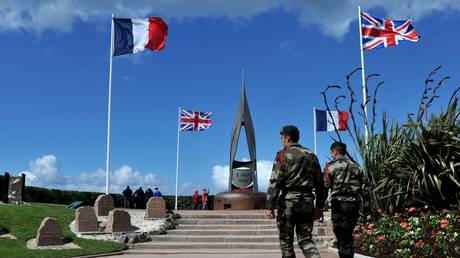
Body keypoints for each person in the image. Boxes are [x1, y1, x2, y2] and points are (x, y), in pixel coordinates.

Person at [266, 125, 326, 258]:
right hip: (307, 201)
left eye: (282, 137)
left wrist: (270, 206)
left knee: (286, 241)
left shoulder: (282, 155)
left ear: (287, 137)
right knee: (306, 240)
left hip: (288, 201)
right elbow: (320, 184)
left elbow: (275, 182)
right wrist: (320, 206)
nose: (282, 140)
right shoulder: (312, 155)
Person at [325, 142, 369, 258]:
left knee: (340, 234)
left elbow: (325, 186)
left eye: (332, 153)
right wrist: (367, 206)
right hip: (353, 204)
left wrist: (320, 205)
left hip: (338, 204)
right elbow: (365, 188)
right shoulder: (356, 166)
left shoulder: (330, 166)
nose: (332, 155)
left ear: (335, 151)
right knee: (348, 233)